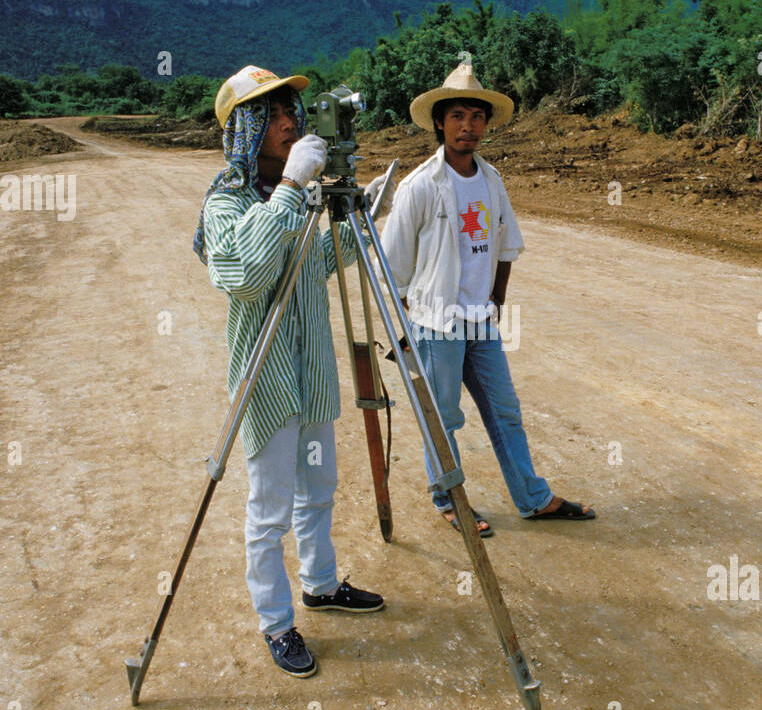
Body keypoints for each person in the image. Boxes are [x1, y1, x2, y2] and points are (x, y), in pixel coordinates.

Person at [193, 64, 391, 678]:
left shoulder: (303, 197)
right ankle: (276, 623)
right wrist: (290, 192)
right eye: (273, 116)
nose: (288, 125)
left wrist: (361, 212)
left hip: (311, 376)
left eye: (290, 114)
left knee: (320, 491)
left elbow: (317, 265)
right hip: (268, 384)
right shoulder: (226, 203)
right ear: (245, 129)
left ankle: (321, 584)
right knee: (270, 509)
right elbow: (248, 275)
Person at [379, 55, 595, 537]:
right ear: (439, 122)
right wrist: (418, 324)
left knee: (504, 412)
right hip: (438, 325)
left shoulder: (491, 181)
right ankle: (450, 499)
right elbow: (391, 266)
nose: (468, 126)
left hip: (481, 322)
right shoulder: (419, 186)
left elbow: (505, 245)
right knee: (446, 418)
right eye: (457, 116)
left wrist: (496, 300)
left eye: (477, 117)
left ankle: (533, 498)